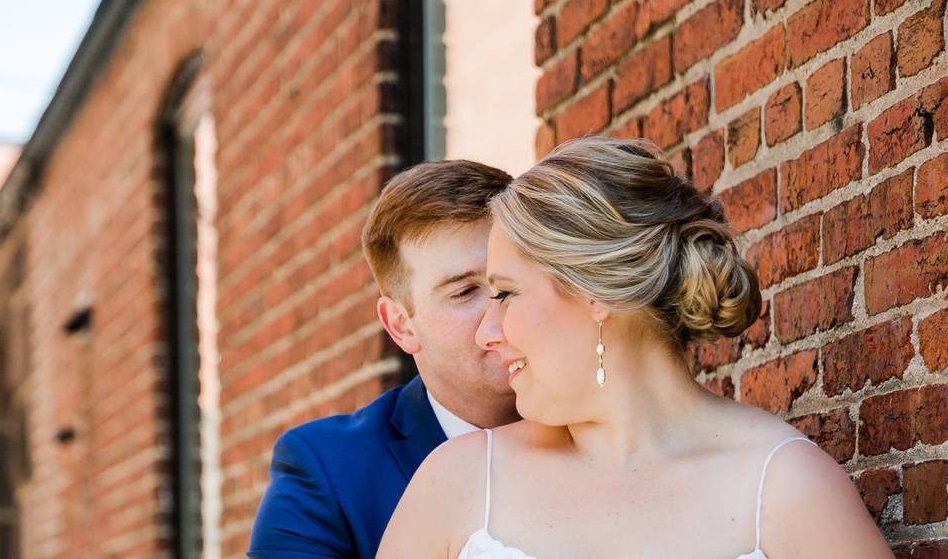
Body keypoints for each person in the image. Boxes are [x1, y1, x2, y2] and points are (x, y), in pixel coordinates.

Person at [377, 137, 895, 558]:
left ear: (595, 292)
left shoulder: (784, 486)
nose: (489, 331)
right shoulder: (457, 483)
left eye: (506, 294)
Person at [247, 160, 521, 559]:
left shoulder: (607, 427)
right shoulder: (326, 472)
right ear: (401, 326)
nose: (499, 315)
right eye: (465, 292)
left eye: (510, 285)